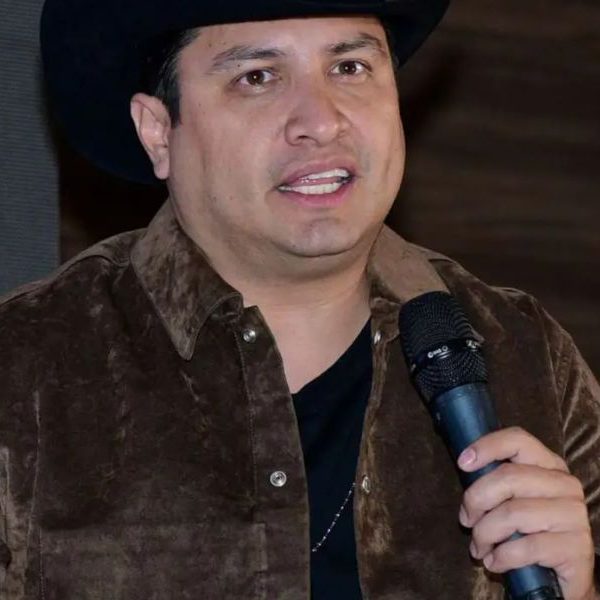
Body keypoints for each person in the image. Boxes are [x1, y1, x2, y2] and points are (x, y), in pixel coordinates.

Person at [1, 0, 598, 598]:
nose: (321, 120)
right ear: (158, 131)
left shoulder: (527, 355)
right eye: (257, 77)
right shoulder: (27, 367)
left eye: (350, 68)